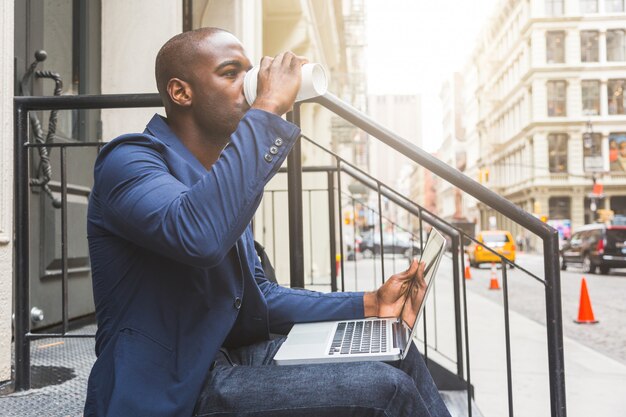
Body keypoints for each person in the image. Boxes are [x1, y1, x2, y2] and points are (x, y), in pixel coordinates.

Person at [84, 27, 451, 417]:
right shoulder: (128, 162)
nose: (249, 84)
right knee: (386, 390)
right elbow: (198, 236)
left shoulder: (220, 178)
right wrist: (268, 105)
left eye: (249, 70)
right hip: (176, 387)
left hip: (235, 359)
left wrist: (370, 304)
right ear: (181, 93)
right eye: (231, 73)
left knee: (398, 355)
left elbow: (262, 297)